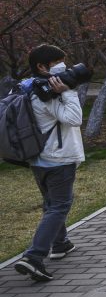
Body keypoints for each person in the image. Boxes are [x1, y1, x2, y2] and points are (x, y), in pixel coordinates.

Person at [13, 45, 86, 282]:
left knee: (51, 203)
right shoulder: (45, 93)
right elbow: (74, 118)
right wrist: (68, 91)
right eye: (56, 63)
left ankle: (61, 243)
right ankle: (34, 257)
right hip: (58, 158)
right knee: (59, 205)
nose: (61, 67)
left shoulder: (28, 88)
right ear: (41, 67)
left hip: (40, 160)